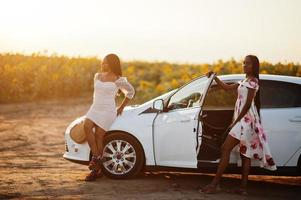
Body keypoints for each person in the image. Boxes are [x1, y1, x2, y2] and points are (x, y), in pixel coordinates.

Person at [200, 55, 276, 195]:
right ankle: (243, 189)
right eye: (244, 63)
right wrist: (215, 77)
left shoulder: (253, 82)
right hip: (243, 121)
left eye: (247, 63)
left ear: (254, 66)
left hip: (245, 122)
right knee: (244, 155)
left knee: (225, 148)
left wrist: (234, 122)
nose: (244, 65)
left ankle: (215, 184)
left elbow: (247, 105)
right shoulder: (244, 81)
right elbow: (227, 88)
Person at [83, 54, 135, 181]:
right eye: (102, 62)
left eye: (105, 62)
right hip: (95, 108)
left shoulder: (118, 79)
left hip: (108, 110)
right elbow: (96, 94)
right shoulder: (97, 76)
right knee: (86, 126)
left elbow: (131, 92)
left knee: (99, 135)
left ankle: (96, 168)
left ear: (112, 64)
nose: (102, 64)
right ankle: (97, 158)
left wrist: (121, 107)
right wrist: (94, 108)